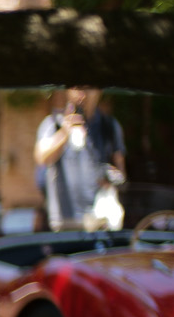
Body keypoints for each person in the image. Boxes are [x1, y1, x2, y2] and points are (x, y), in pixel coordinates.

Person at [35, 87, 126, 231]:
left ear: (99, 91)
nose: (82, 94)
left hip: (100, 223)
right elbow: (41, 157)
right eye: (77, 87)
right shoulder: (53, 124)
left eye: (89, 88)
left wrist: (111, 177)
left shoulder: (108, 126)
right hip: (64, 225)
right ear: (68, 91)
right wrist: (64, 133)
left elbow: (121, 172)